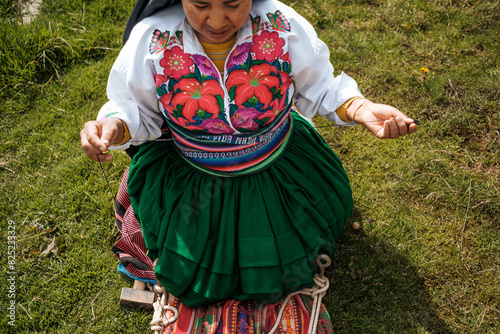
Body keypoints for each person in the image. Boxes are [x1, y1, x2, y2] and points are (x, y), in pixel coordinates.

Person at [80, 0, 417, 332]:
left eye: (232, 3)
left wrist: (360, 109)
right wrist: (113, 127)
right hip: (197, 188)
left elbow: (321, 85)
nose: (216, 19)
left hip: (277, 176)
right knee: (197, 265)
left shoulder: (281, 26)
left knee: (278, 255)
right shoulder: (152, 41)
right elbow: (134, 109)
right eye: (200, 4)